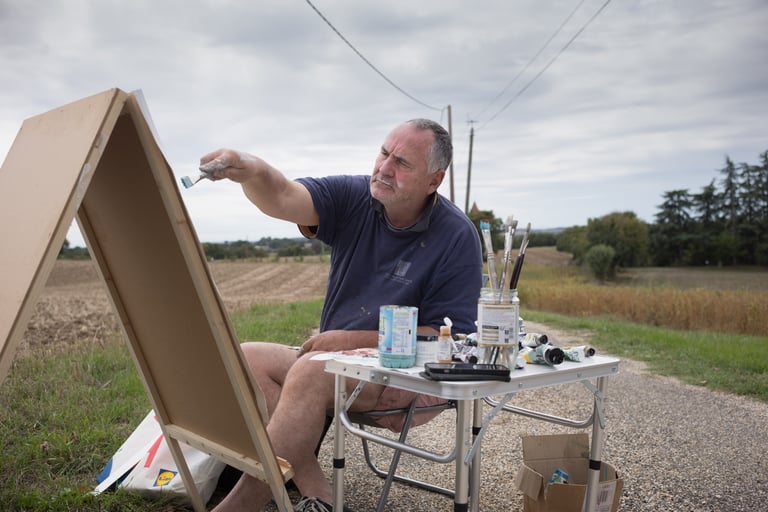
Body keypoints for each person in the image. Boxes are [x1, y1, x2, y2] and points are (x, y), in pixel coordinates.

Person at [200, 118, 482, 512]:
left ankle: (237, 507)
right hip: (331, 365)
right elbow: (283, 196)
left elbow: (451, 340)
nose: (384, 168)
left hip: (402, 374)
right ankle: (321, 497)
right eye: (384, 153)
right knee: (246, 358)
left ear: (434, 181)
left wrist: (348, 341)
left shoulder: (457, 236)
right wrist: (252, 169)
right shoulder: (355, 197)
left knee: (311, 369)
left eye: (402, 163)